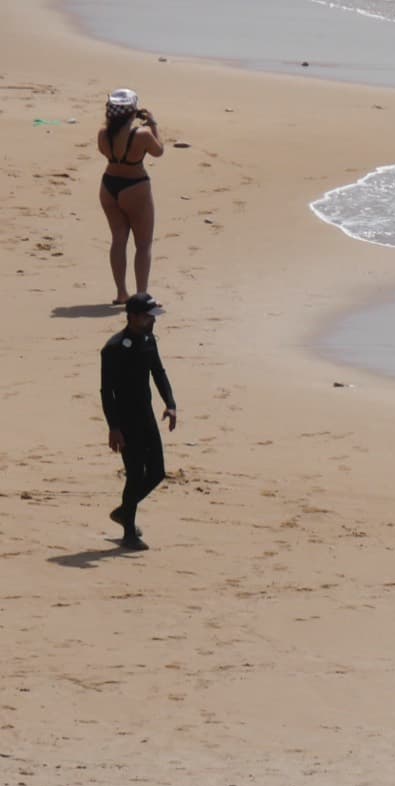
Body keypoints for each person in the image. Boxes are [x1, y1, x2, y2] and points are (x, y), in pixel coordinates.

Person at [100, 293, 179, 551]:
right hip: (125, 421)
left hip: (146, 416)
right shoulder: (113, 348)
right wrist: (113, 427)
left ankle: (124, 511)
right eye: (147, 316)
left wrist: (170, 403)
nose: (152, 321)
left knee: (156, 473)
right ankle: (128, 533)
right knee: (134, 475)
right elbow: (106, 392)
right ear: (132, 317)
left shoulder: (148, 339)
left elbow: (158, 371)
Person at [97, 89, 165, 305]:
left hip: (109, 185)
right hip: (134, 186)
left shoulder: (103, 134)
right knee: (143, 244)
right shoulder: (142, 135)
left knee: (118, 240)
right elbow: (159, 150)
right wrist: (153, 123)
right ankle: (142, 295)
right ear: (133, 111)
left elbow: (110, 152)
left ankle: (121, 293)